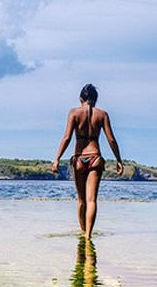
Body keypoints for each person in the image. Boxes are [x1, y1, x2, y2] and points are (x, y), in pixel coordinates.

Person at [52, 84, 123, 239]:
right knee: (92, 200)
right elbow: (111, 139)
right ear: (95, 100)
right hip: (96, 158)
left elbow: (67, 138)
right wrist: (118, 160)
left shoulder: (74, 113)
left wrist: (57, 159)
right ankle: (88, 235)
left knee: (81, 201)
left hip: (79, 158)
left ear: (80, 98)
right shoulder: (102, 114)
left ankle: (83, 231)